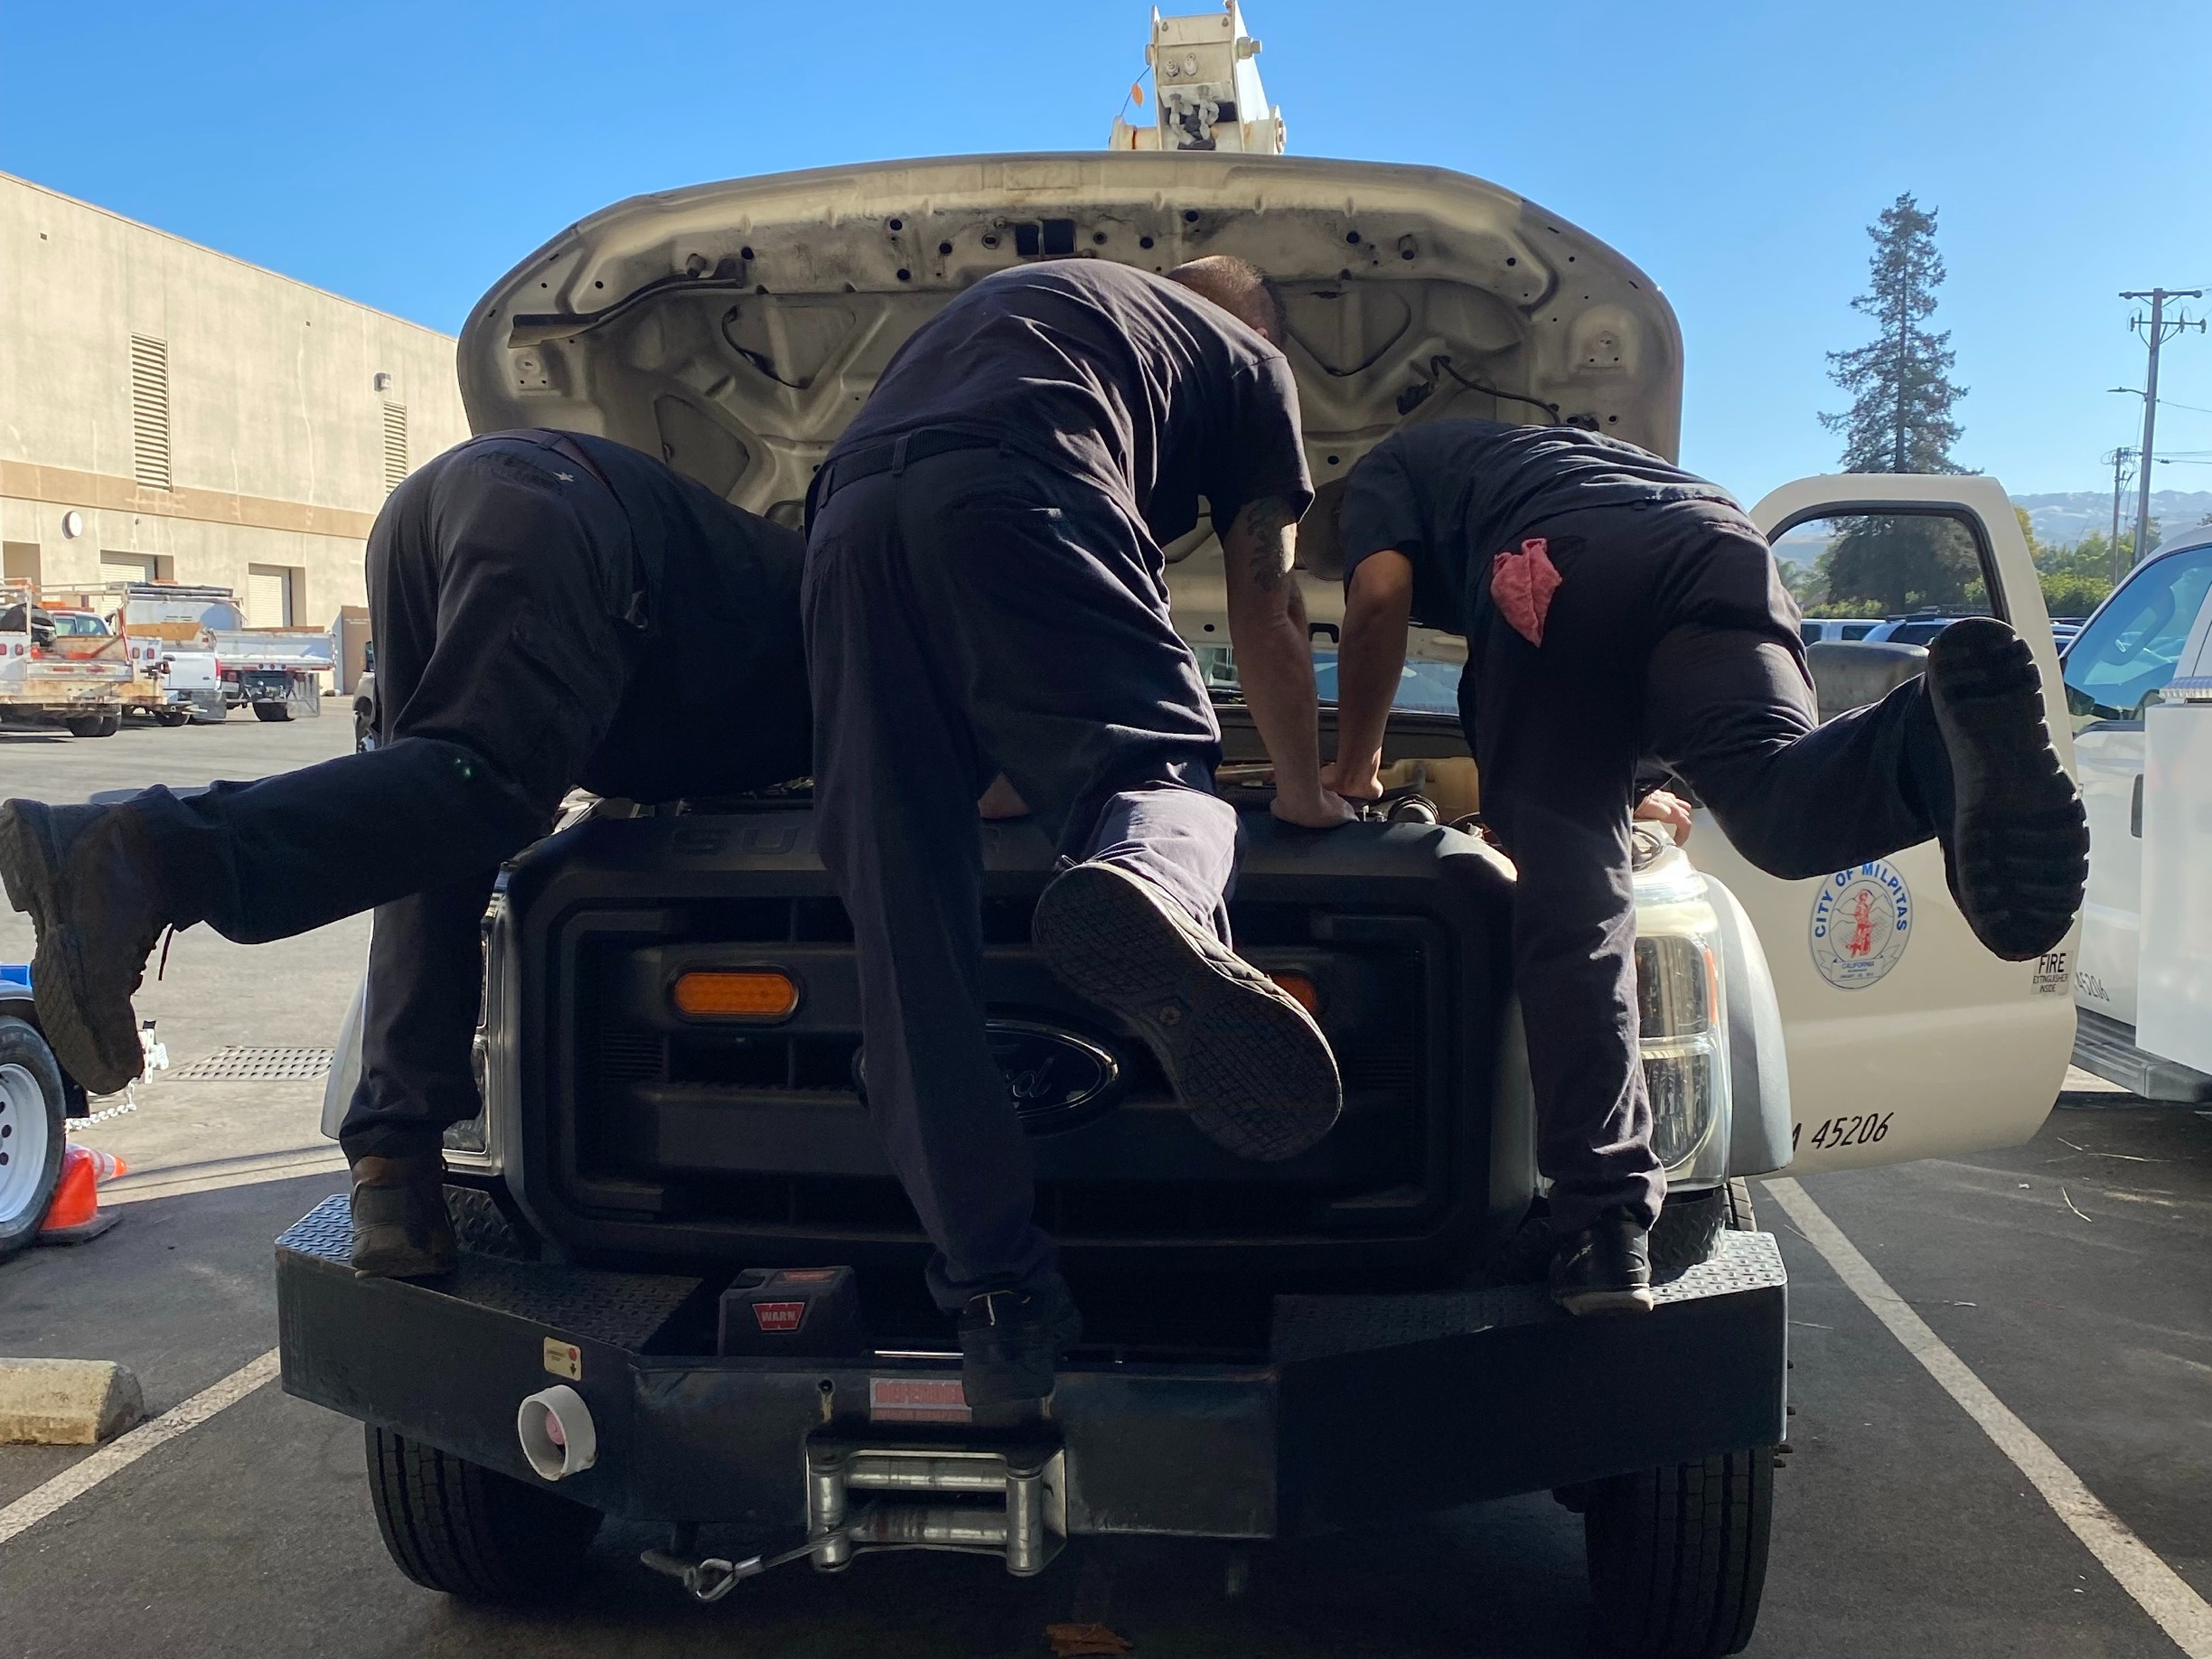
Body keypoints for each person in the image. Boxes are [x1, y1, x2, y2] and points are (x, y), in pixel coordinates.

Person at [1317, 417, 2090, 1314]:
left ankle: (1603, 1227)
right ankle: (1918, 738)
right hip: (1720, 544)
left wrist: (1354, 770)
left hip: (1553, 572)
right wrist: (1634, 784)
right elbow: (1626, 640)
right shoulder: (1546, 457)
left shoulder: (1380, 474)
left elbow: (1376, 599)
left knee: (1577, 917)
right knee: (1770, 802)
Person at [0, 430, 811, 1276]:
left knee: (439, 821)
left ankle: (396, 1171)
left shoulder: (786, 590)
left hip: (451, 504)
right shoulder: (864, 628)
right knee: (484, 786)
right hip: (562, 514)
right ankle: (137, 854)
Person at [803, 255, 1352, 1412]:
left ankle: (999, 1307)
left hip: (844, 519)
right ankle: (1150, 879)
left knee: (905, 939)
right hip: (1027, 485)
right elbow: (1266, 601)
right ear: (1260, 324)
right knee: (1159, 776)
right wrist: (1305, 792)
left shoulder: (1035, 310)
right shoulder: (1251, 360)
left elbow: (984, 645)